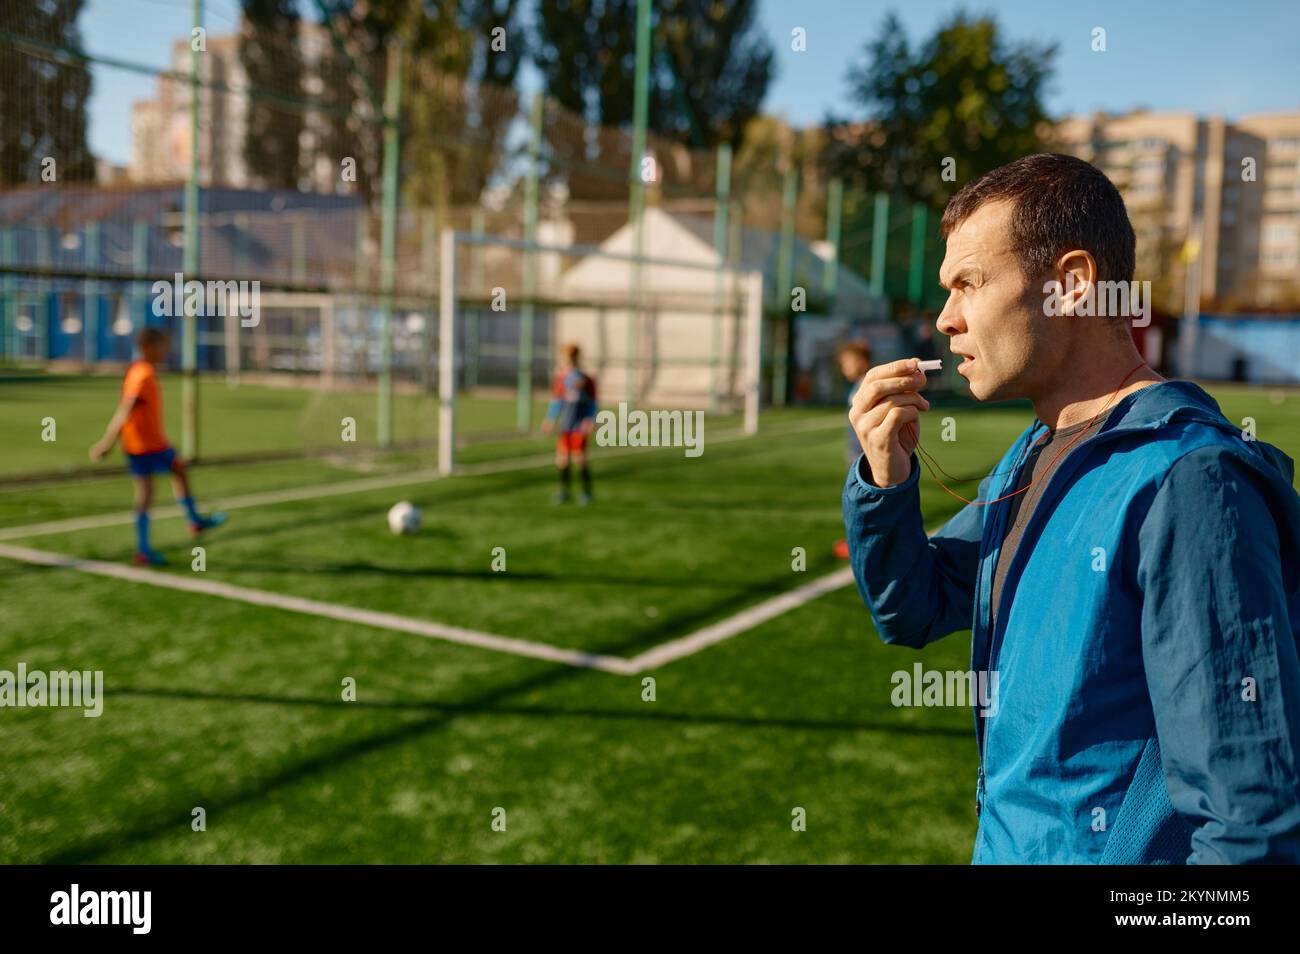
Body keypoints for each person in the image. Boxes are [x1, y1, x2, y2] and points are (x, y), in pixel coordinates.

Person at [844, 153, 1300, 863]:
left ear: (1074, 285)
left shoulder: (1191, 481)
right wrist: (885, 478)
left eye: (969, 283)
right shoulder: (1035, 452)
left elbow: (1247, 826)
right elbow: (913, 606)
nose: (946, 318)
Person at [89, 327, 226, 565]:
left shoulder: (142, 370)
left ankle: (147, 547)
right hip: (147, 445)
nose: (167, 350)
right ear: (147, 347)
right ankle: (189, 523)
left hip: (141, 444)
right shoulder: (142, 374)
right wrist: (107, 441)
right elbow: (125, 410)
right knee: (158, 485)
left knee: (164, 481)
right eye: (162, 345)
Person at [541, 343, 598, 505]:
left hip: (579, 425)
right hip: (566, 425)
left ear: (577, 358)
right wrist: (550, 419)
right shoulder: (561, 379)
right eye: (566, 358)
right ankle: (564, 492)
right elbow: (557, 401)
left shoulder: (585, 379)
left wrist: (590, 419)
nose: (568, 361)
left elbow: (593, 403)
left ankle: (587, 492)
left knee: (580, 460)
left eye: (571, 357)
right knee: (562, 460)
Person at [833, 340, 872, 560]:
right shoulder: (857, 385)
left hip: (864, 455)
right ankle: (857, 541)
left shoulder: (866, 386)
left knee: (861, 501)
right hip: (857, 454)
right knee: (856, 499)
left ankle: (860, 544)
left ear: (860, 361)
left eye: (847, 363)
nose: (844, 369)